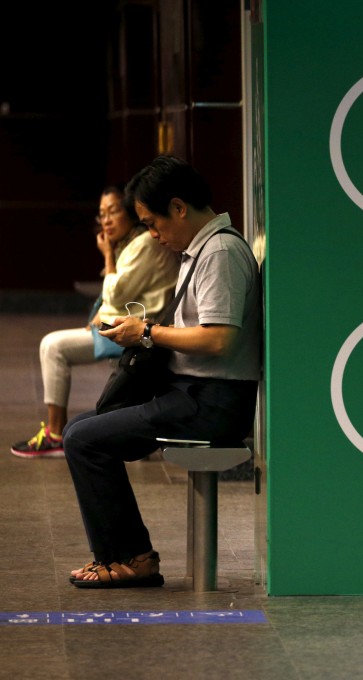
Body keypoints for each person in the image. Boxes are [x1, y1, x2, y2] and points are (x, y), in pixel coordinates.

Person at [64, 155, 261, 588]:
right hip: (194, 392)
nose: (154, 235)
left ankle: (132, 558)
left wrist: (148, 331)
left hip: (212, 401)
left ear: (178, 207)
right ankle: (129, 554)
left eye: (154, 223)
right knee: (84, 428)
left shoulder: (222, 252)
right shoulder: (203, 250)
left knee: (83, 439)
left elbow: (218, 339)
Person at [10, 185, 179, 458]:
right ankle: (60, 432)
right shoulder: (133, 243)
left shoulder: (144, 243)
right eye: (102, 215)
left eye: (113, 211)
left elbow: (115, 292)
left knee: (53, 346)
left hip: (140, 332)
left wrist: (107, 254)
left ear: (130, 213)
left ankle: (55, 435)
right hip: (130, 326)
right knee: (53, 345)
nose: (107, 220)